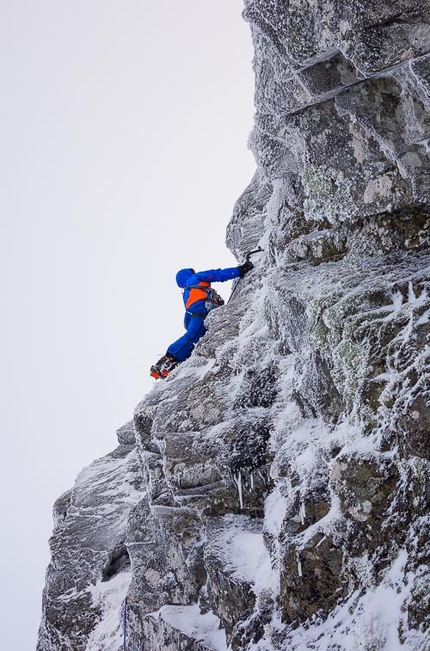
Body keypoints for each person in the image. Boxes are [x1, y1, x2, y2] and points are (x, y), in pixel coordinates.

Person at [150, 260, 253, 379]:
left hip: (197, 314)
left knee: (194, 335)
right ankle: (168, 361)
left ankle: (175, 362)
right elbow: (217, 274)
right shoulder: (196, 278)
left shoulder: (187, 293)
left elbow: (188, 316)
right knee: (193, 335)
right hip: (203, 311)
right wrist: (239, 271)